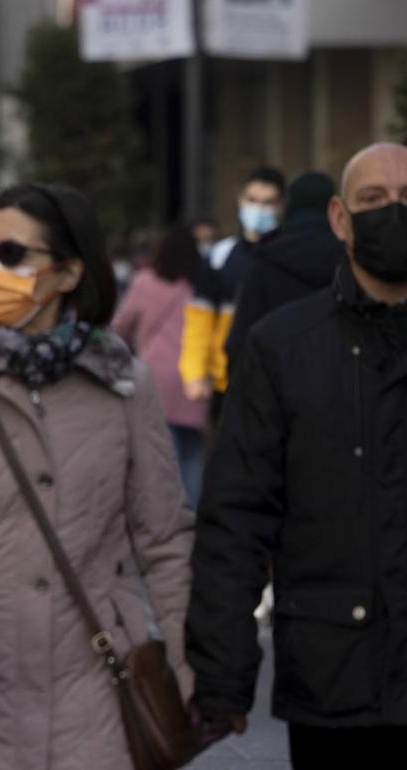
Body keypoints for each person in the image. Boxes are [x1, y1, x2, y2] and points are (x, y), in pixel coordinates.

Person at [0, 183, 193, 769]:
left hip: (95, 690)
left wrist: (195, 673)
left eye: (12, 254)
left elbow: (165, 538)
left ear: (68, 273)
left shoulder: (124, 384)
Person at [186, 142, 407, 769]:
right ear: (340, 218)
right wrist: (223, 674)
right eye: (374, 200)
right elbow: (236, 517)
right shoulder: (284, 346)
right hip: (334, 682)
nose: (393, 213)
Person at [111, 226, 208, 508]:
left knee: (164, 457)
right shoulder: (201, 285)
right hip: (194, 378)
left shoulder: (143, 283)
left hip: (154, 379)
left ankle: (168, 518)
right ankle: (192, 518)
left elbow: (120, 327)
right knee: (192, 456)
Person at [179, 166, 284, 412]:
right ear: (240, 201)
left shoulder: (290, 255)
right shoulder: (220, 256)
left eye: (268, 202)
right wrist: (194, 372)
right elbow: (200, 318)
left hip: (280, 379)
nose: (259, 209)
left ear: (280, 206)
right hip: (226, 381)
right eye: (253, 200)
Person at [224, 171, 345, 373]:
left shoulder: (266, 260)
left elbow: (240, 341)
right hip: (340, 381)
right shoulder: (352, 260)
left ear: (288, 205)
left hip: (277, 381)